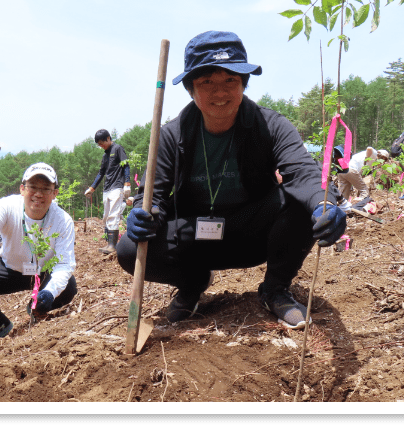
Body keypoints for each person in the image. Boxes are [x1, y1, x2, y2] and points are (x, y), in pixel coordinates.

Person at [116, 30, 346, 329]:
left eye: (230, 81)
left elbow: (301, 171)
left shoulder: (270, 125)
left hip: (252, 233)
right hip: (195, 236)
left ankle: (275, 289)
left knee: (301, 202)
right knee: (130, 249)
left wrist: (323, 203)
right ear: (190, 90)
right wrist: (145, 214)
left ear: (243, 84)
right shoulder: (171, 135)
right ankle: (192, 285)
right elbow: (154, 197)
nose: (220, 92)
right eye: (206, 82)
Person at [0, 163, 77, 346]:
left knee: (68, 287)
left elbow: (64, 263)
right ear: (22, 189)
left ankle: (38, 308)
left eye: (45, 189)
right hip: (9, 268)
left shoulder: (63, 220)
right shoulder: (8, 206)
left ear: (55, 193)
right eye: (33, 187)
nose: (38, 194)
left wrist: (50, 293)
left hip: (42, 273)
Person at [84, 130, 131, 255]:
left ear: (108, 138)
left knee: (113, 215)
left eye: (102, 143)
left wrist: (127, 183)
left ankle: (112, 246)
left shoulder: (118, 149)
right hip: (107, 188)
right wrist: (92, 188)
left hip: (117, 187)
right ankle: (109, 243)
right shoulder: (105, 155)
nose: (101, 146)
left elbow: (126, 165)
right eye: (99, 144)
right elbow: (101, 172)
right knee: (106, 216)